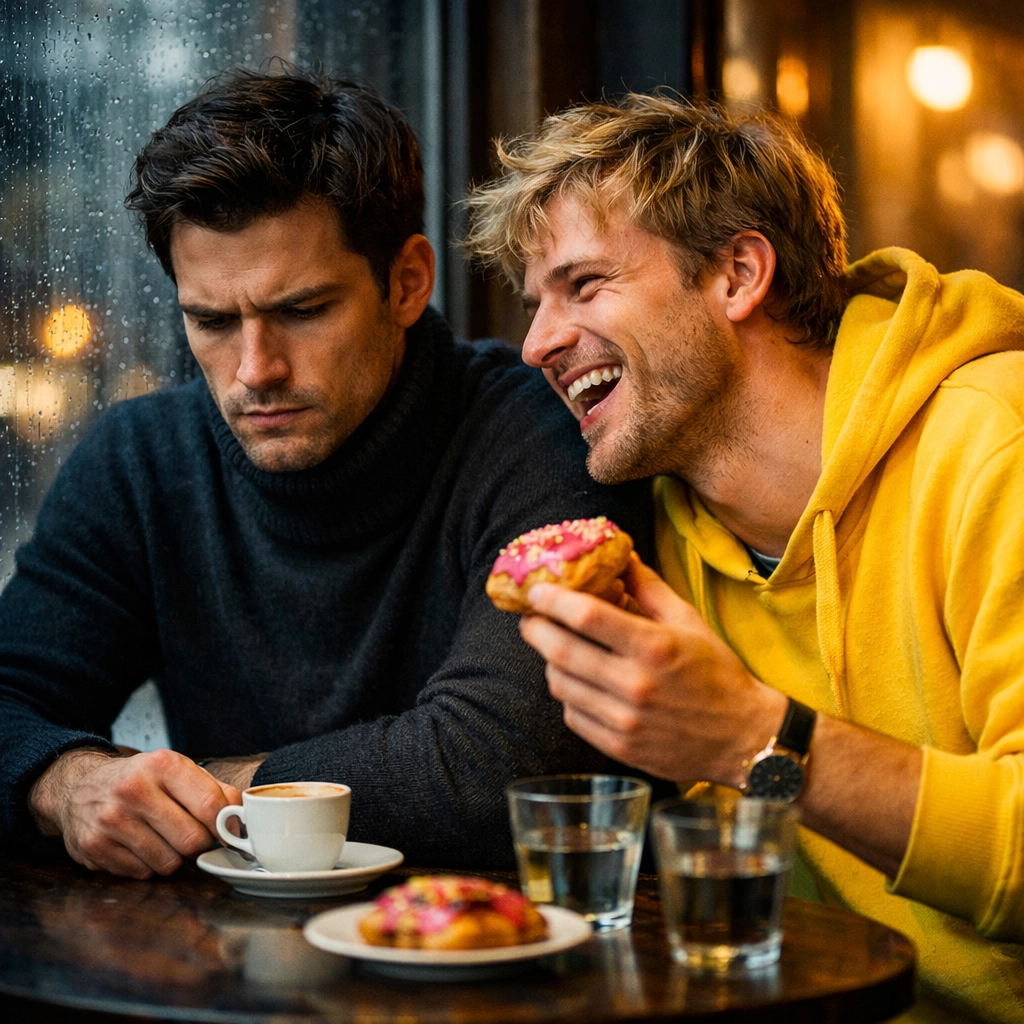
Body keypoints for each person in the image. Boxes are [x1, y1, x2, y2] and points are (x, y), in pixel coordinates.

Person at [0, 68, 654, 880]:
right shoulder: (139, 463)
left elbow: (500, 768)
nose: (255, 371)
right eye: (210, 321)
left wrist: (212, 790)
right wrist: (61, 782)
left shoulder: (542, 433)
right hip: (224, 975)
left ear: (407, 282)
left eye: (303, 311)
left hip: (489, 971)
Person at [465, 93, 1024, 1023]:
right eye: (534, 304)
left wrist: (755, 738)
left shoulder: (997, 446)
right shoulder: (661, 531)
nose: (535, 345)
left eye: (585, 284)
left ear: (737, 273)